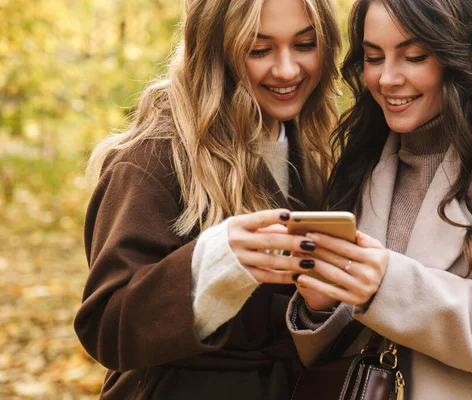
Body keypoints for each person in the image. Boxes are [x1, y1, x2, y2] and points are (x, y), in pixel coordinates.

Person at [286, 0, 472, 398]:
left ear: (469, 54)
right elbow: (345, 341)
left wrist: (387, 286)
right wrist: (321, 307)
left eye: (414, 56)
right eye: (373, 57)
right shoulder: (361, 157)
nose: (387, 79)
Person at [74, 0, 341, 398]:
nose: (287, 69)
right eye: (259, 49)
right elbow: (106, 328)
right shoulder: (152, 158)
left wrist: (320, 308)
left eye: (305, 45)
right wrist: (213, 265)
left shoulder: (318, 154)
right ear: (216, 49)